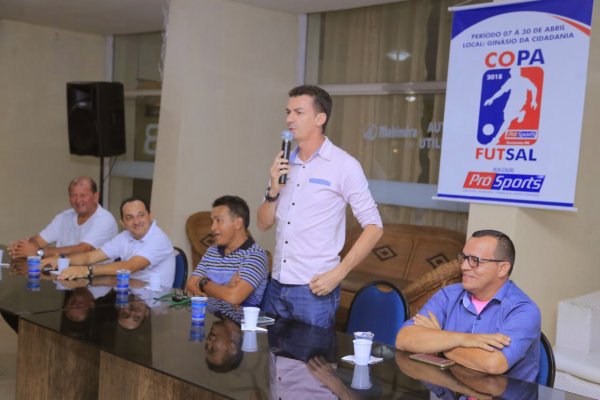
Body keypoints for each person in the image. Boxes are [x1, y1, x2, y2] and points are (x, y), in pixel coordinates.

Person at [257, 85, 383, 329]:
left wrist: (340, 272)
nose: (289, 119)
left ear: (320, 118)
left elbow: (374, 226)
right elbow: (263, 224)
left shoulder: (343, 165)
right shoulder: (283, 164)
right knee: (274, 362)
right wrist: (273, 191)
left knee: (310, 363)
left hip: (313, 290)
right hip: (277, 284)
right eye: (288, 112)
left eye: (298, 112)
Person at [396, 230, 541, 382]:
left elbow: (492, 363)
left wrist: (439, 340)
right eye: (464, 258)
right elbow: (404, 339)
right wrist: (464, 339)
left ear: (502, 268)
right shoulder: (448, 295)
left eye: (475, 260)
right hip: (451, 390)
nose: (464, 266)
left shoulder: (523, 310)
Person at [51, 197, 175, 288]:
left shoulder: (158, 239)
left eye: (141, 215)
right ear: (123, 223)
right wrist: (59, 260)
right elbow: (90, 256)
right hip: (129, 296)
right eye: (129, 217)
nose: (136, 221)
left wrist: (86, 270)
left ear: (150, 216)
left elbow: (128, 267)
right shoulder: (124, 236)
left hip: (153, 304)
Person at [185, 195, 269, 307]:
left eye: (218, 220)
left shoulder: (255, 256)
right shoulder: (212, 250)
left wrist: (203, 282)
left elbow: (233, 297)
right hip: (210, 317)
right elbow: (190, 284)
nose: (212, 228)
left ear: (238, 223)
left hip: (238, 323)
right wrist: (225, 289)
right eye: (212, 221)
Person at [8, 176, 117, 259]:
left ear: (96, 196)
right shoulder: (65, 216)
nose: (78, 200)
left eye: (83, 195)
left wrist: (39, 252)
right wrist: (21, 247)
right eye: (73, 195)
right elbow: (40, 240)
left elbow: (83, 250)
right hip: (62, 277)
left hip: (95, 282)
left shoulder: (105, 219)